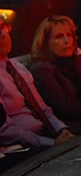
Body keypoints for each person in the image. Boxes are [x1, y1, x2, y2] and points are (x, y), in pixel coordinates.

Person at [0, 16, 75, 149]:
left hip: (46, 133)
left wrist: (62, 129)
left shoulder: (18, 68)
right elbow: (5, 131)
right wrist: (50, 143)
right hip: (23, 147)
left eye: (3, 28)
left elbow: (42, 108)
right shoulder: (40, 68)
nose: (3, 35)